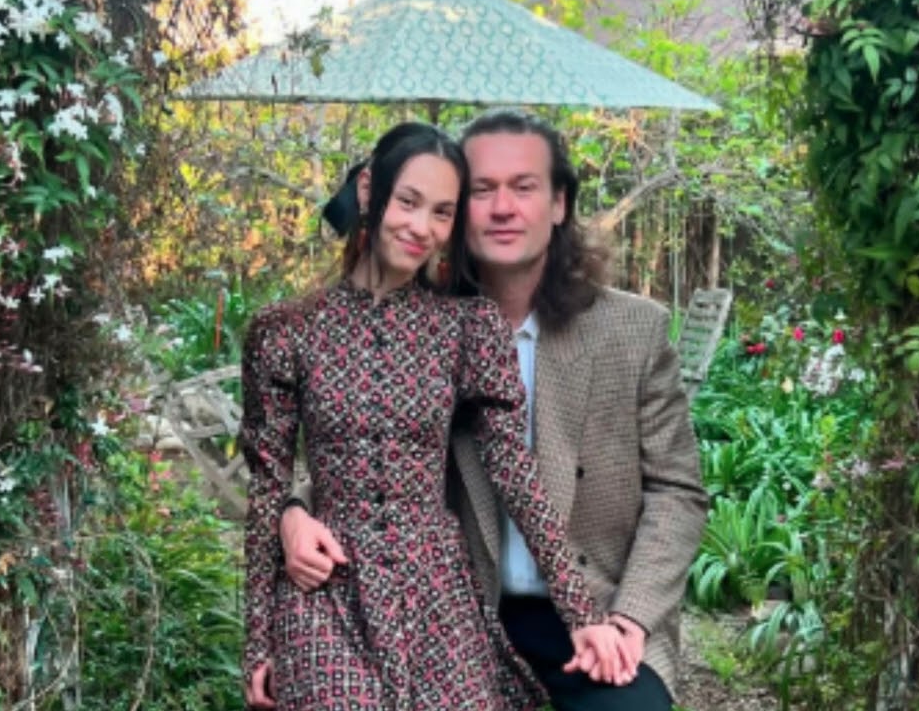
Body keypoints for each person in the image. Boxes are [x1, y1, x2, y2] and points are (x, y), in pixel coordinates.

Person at [280, 109, 709, 711]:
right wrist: (295, 511)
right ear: (457, 211)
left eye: (523, 187)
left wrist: (631, 619)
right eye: (482, 190)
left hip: (596, 608)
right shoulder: (423, 329)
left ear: (559, 204)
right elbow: (367, 453)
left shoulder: (634, 331)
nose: (503, 208)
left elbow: (677, 492)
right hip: (452, 609)